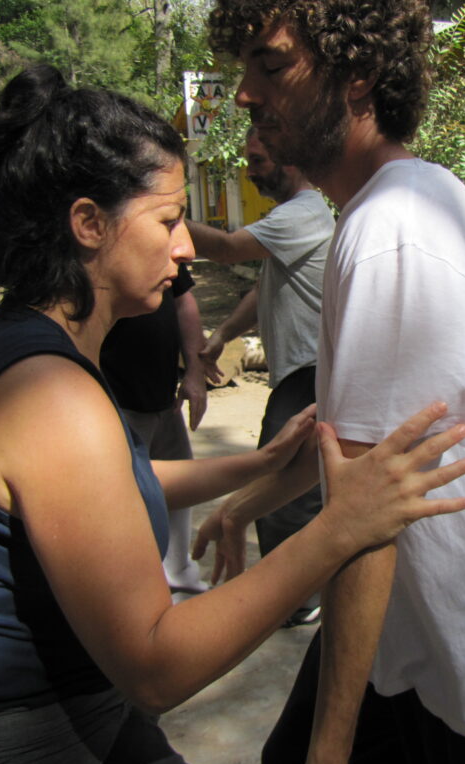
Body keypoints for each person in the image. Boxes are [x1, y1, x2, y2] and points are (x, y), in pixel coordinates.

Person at [0, 64, 465, 764]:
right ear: (88, 224)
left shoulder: (20, 339)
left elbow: (104, 489)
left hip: (11, 709)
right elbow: (155, 668)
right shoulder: (52, 398)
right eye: (167, 222)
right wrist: (339, 530)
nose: (187, 246)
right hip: (6, 736)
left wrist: (255, 468)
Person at [203, 2, 465, 764]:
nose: (247, 93)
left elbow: (366, 514)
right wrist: (248, 501)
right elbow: (362, 439)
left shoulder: (391, 232)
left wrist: (329, 748)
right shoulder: (394, 206)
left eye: (272, 64)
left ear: (357, 75)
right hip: (429, 642)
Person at [188, 127, 334, 626]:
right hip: (298, 371)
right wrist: (224, 333)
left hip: (310, 371)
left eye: (257, 160)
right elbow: (264, 287)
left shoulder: (304, 212)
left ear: (290, 158)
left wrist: (163, 218)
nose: (249, 172)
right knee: (286, 482)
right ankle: (300, 594)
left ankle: (299, 599)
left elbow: (228, 248)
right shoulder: (290, 219)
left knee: (283, 487)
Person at [100, 264, 212, 600]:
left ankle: (178, 586)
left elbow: (183, 299)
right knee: (121, 504)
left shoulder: (167, 251)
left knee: (178, 495)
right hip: (115, 402)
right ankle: (124, 598)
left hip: (164, 401)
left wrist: (194, 371)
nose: (184, 248)